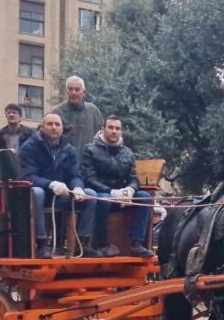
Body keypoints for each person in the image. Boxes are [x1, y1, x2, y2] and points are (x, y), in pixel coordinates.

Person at [17, 112, 99, 258]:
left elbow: (75, 174)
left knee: (91, 195)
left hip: (61, 196)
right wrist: (50, 184)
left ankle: (84, 244)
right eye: (50, 124)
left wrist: (77, 187)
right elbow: (28, 176)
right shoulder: (29, 148)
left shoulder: (68, 149)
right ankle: (42, 245)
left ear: (62, 128)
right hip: (34, 197)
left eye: (57, 124)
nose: (54, 127)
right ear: (42, 127)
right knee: (37, 193)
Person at [80, 115, 154, 258]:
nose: (114, 131)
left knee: (145, 197)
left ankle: (136, 243)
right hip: (100, 195)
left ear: (121, 131)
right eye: (111, 127)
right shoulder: (89, 150)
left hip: (122, 197)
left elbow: (134, 178)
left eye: (117, 128)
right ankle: (101, 243)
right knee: (104, 199)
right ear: (103, 129)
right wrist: (111, 191)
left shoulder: (128, 153)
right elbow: (89, 178)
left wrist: (130, 190)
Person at [52, 76, 103, 164]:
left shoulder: (93, 111)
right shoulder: (57, 113)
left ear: (83, 92)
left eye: (77, 89)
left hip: (90, 165)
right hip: (66, 165)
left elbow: (103, 137)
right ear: (66, 92)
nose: (73, 93)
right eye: (70, 89)